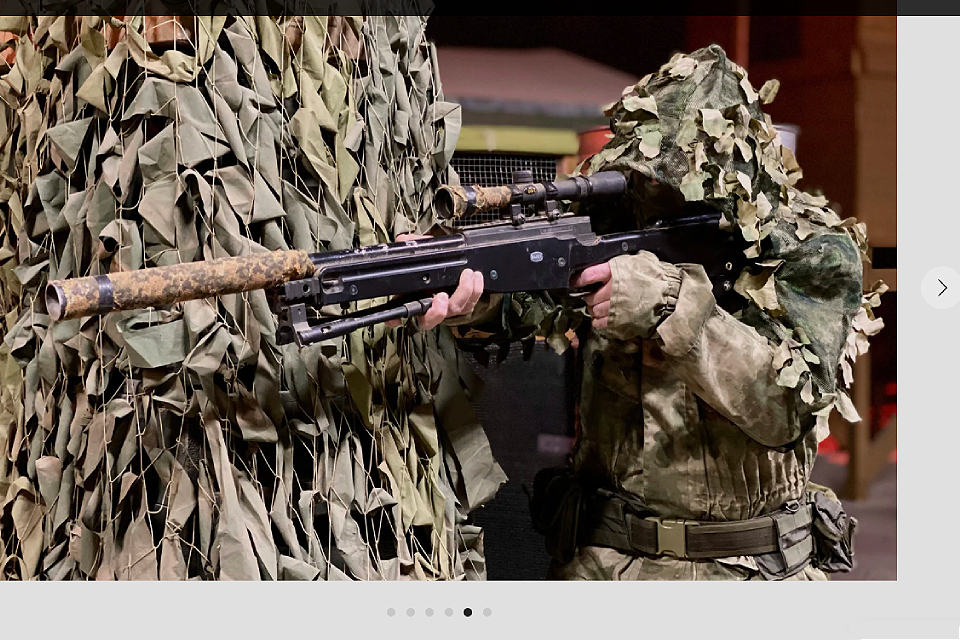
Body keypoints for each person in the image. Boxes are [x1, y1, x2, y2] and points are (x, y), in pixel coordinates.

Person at [392, 44, 876, 580]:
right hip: (604, 564)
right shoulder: (613, 223)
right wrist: (468, 294)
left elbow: (786, 408)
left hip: (742, 572)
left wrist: (668, 303)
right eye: (646, 177)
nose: (656, 193)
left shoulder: (807, 248)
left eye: (678, 181)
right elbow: (526, 306)